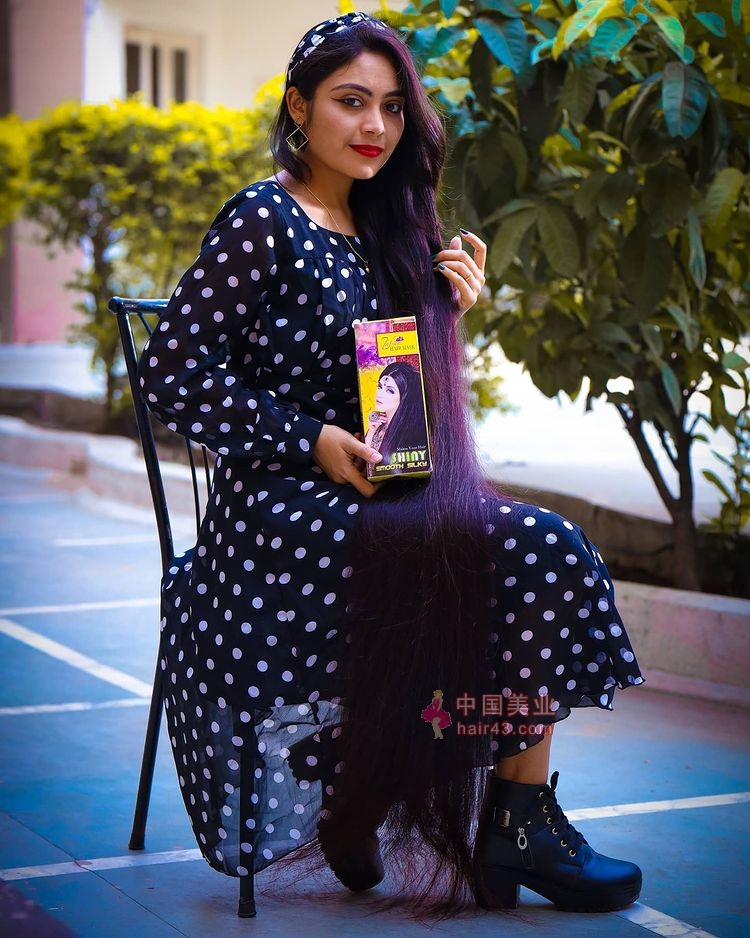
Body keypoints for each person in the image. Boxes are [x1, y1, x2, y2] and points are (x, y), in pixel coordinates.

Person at [137, 11, 645, 916]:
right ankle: (367, 794)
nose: (375, 126)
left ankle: (514, 818)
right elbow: (173, 374)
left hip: (380, 497)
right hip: (278, 517)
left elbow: (395, 411)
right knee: (477, 561)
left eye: (393, 107)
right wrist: (309, 439)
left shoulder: (386, 226)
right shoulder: (264, 219)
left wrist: (443, 315)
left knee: (544, 550)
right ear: (299, 108)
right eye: (350, 101)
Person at [364, 361, 427, 465]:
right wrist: (371, 431)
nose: (380, 394)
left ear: (404, 397)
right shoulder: (377, 425)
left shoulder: (409, 433)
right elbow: (366, 462)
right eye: (379, 386)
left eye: (390, 391)